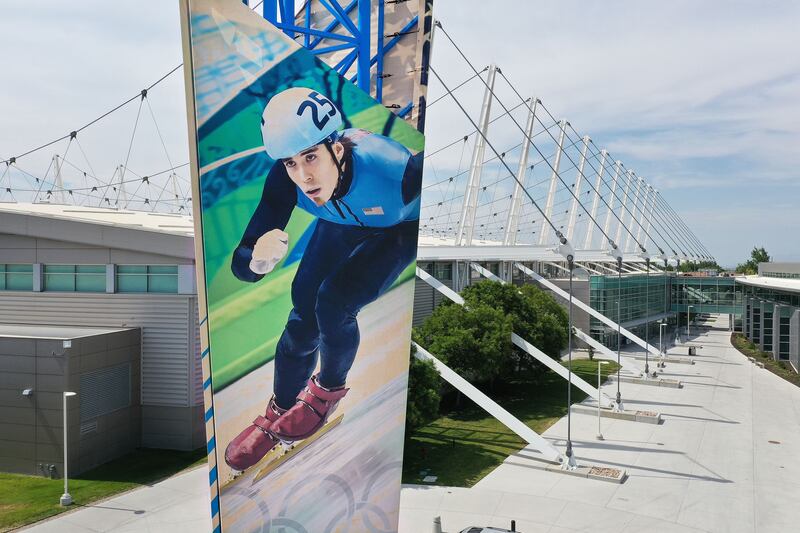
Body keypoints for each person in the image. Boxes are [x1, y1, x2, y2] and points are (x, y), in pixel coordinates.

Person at [224, 87, 423, 471]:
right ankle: (280, 409)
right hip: (341, 223)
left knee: (334, 303)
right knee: (302, 313)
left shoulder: (398, 172)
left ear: (338, 149)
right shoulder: (285, 180)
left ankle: (326, 392)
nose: (304, 176)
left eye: (311, 157)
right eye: (291, 163)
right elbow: (242, 261)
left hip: (398, 229)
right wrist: (257, 261)